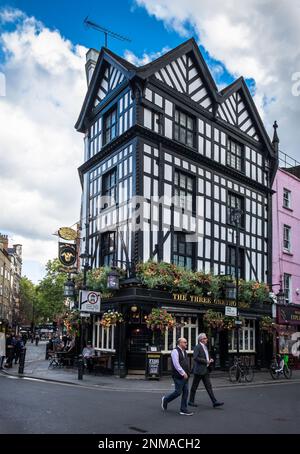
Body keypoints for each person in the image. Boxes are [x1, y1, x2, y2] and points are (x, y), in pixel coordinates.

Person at [188, 333, 224, 408]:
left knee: (209, 386)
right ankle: (191, 401)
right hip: (199, 370)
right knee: (194, 386)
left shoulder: (205, 347)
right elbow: (195, 357)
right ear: (201, 339)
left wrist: (210, 359)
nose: (207, 339)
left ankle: (214, 402)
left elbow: (206, 356)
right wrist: (206, 361)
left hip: (205, 370)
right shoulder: (197, 347)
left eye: (206, 338)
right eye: (205, 338)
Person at [161, 337, 193, 416]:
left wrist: (188, 372)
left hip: (186, 375)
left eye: (186, 342)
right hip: (178, 375)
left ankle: (183, 409)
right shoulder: (175, 351)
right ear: (180, 343)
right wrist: (183, 373)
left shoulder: (184, 351)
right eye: (185, 342)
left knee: (186, 392)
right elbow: (176, 364)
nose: (186, 343)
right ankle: (166, 399)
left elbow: (185, 362)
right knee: (178, 392)